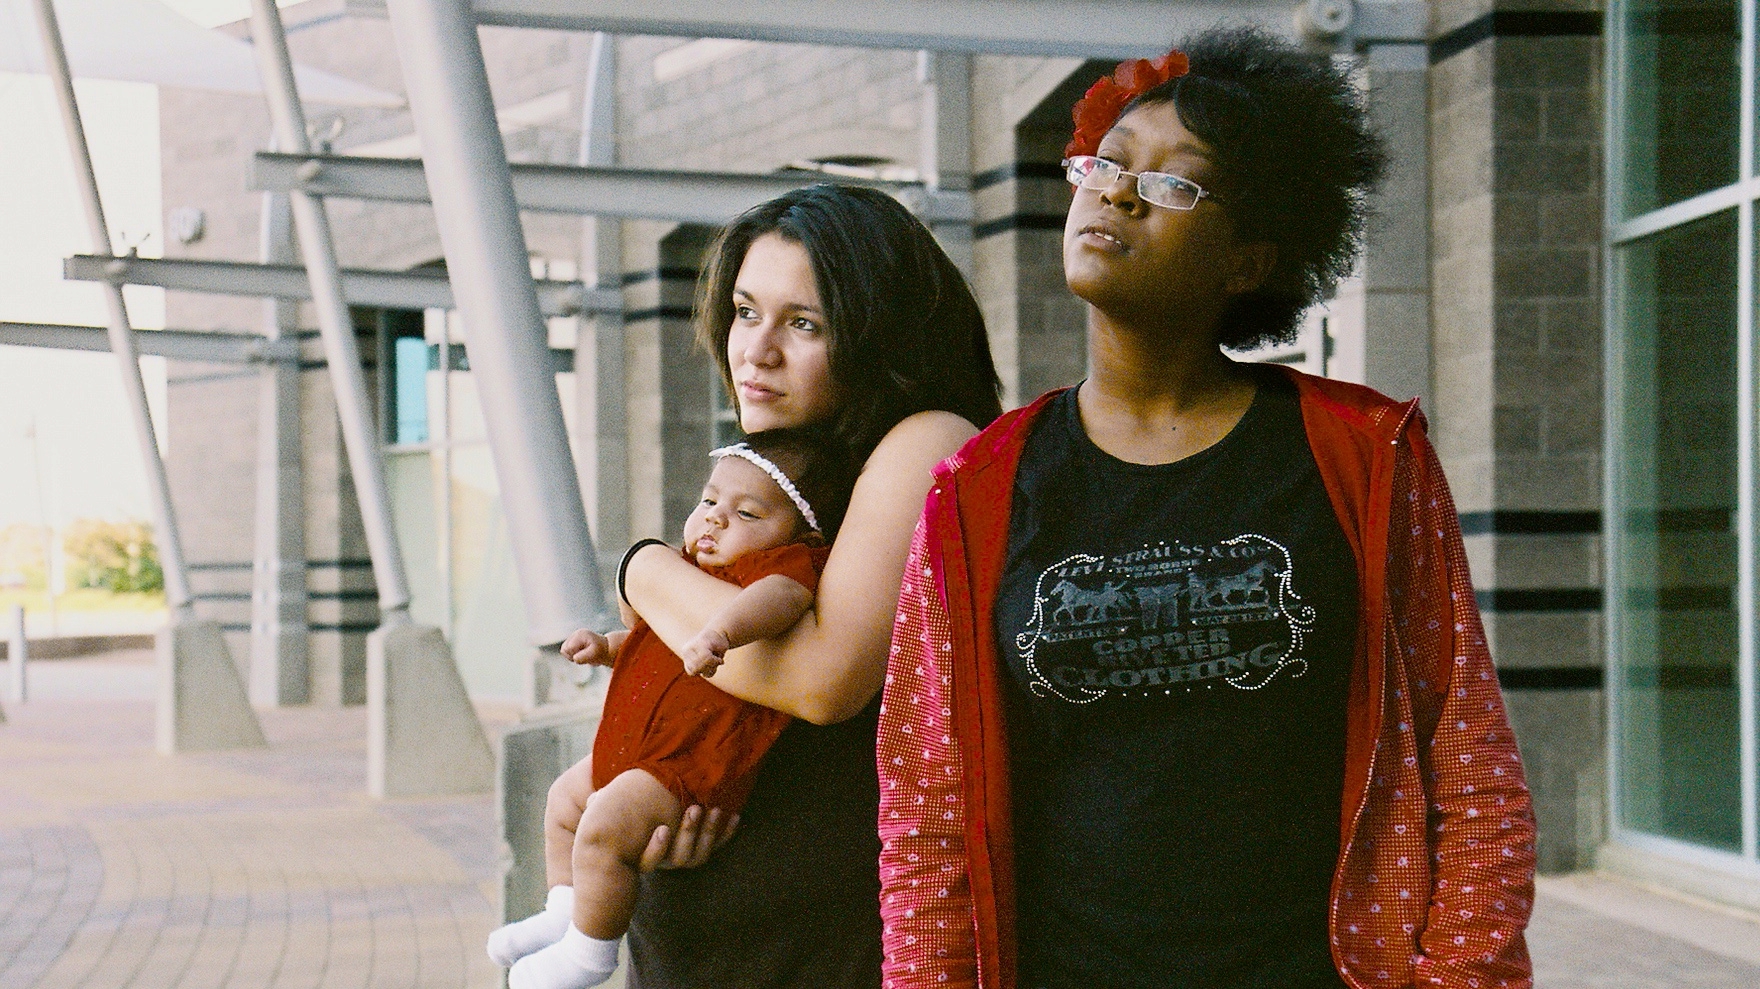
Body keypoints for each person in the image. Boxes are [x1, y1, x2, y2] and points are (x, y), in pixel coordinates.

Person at [877, 26, 1537, 989]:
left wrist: (1461, 976)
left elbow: (1465, 758)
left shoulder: (1363, 455)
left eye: (1174, 182)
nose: (1119, 193)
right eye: (1108, 164)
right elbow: (927, 807)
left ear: (1247, 261)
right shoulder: (980, 485)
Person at [575, 184, 1003, 989]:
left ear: (882, 336)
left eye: (804, 323)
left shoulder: (926, 440)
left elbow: (820, 676)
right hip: (711, 944)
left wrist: (642, 565)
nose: (756, 351)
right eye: (746, 312)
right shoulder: (788, 460)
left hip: (827, 944)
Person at [489, 432, 857, 989]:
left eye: (747, 513)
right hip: (635, 748)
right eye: (709, 501)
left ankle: (589, 954)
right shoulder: (694, 572)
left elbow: (778, 602)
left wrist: (721, 633)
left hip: (687, 761)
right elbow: (651, 647)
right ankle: (564, 910)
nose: (715, 519)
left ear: (802, 532)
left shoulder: (784, 569)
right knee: (564, 801)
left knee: (604, 827)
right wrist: (607, 647)